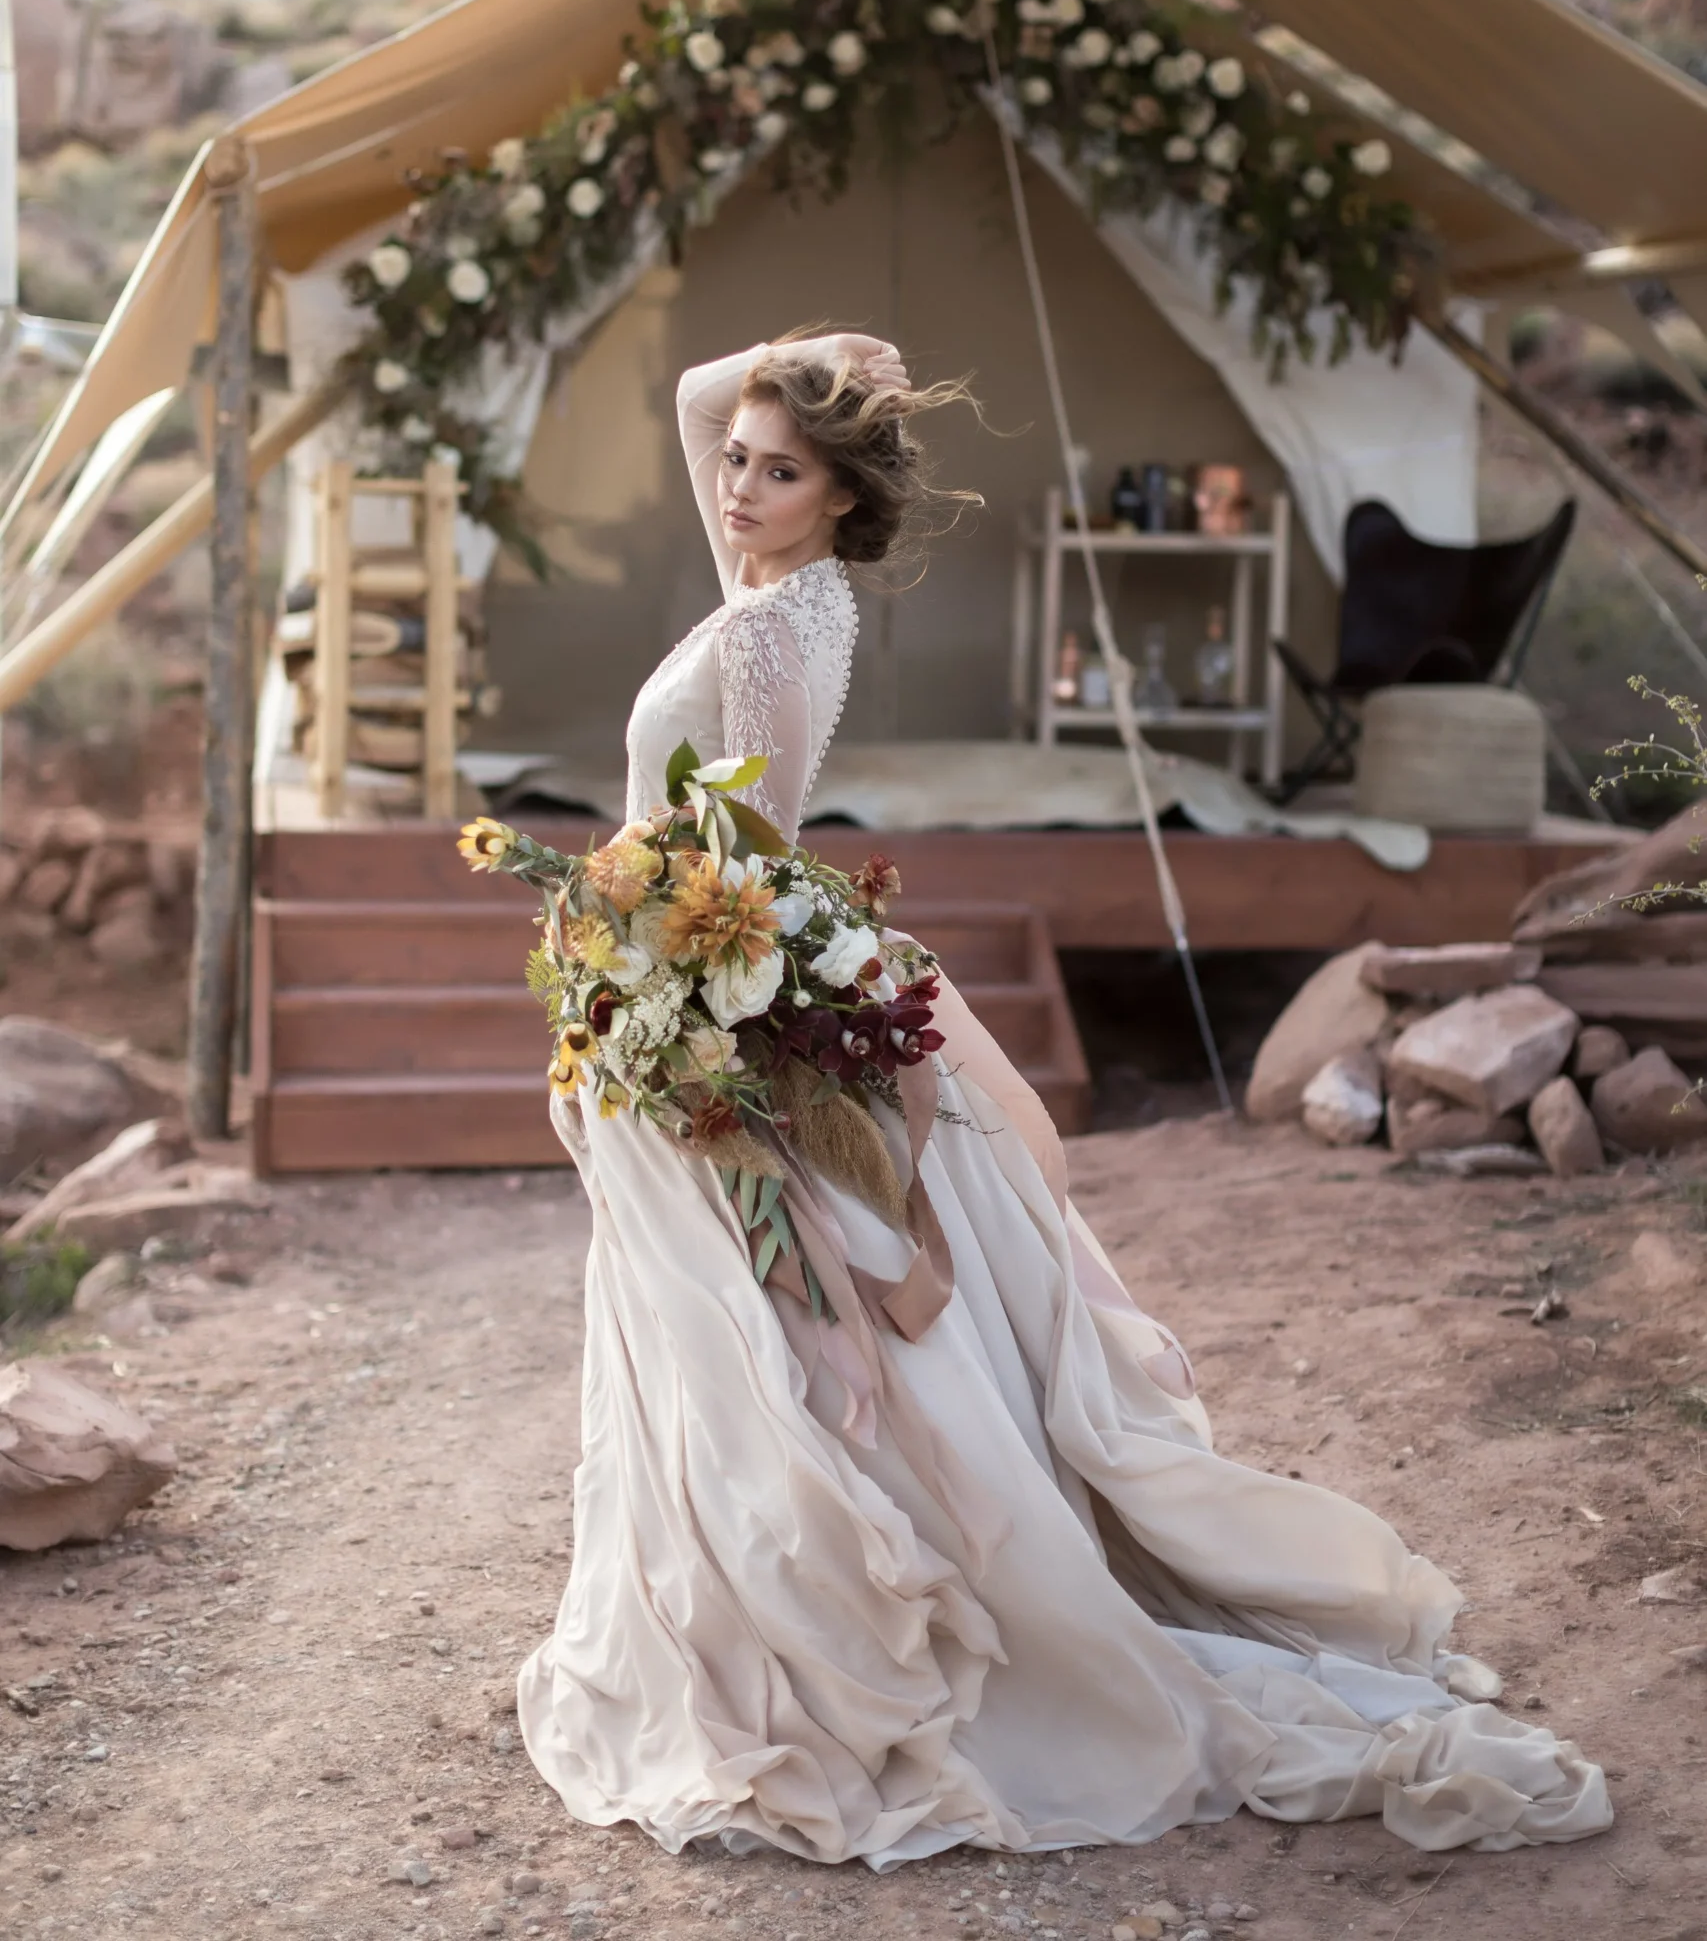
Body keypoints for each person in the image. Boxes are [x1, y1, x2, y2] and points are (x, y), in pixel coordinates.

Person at [518, 334, 1609, 1864]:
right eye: (739, 465)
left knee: (779, 1322)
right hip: (667, 966)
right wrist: (801, 362)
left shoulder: (775, 632)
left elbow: (741, 870)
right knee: (726, 1332)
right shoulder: (777, 588)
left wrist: (660, 1005)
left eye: (778, 468)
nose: (739, 483)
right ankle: (762, 1603)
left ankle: (837, 1623)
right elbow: (697, 398)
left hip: (709, 989)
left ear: (837, 501)